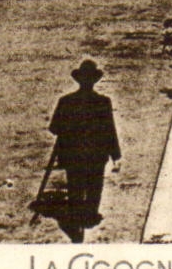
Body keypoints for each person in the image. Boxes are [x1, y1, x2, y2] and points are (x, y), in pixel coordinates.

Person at [48, 59, 121, 239]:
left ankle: (76, 221)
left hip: (73, 154)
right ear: (94, 81)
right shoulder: (103, 102)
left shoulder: (66, 101)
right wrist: (116, 155)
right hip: (96, 154)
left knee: (75, 187)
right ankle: (89, 216)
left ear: (79, 80)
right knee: (95, 186)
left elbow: (54, 128)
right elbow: (109, 130)